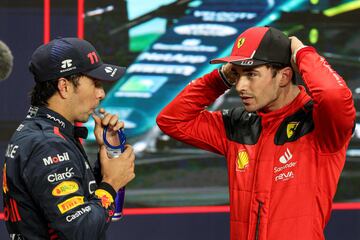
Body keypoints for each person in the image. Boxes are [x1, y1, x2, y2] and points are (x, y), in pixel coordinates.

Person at [156, 26, 355, 240]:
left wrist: (303, 54)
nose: (240, 85)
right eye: (236, 74)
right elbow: (171, 121)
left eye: (251, 74)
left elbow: (333, 94)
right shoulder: (238, 123)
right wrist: (220, 79)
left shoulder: (321, 124)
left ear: (284, 76)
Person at [2, 37, 135, 239]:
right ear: (64, 86)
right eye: (95, 83)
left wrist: (108, 156)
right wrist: (110, 183)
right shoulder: (47, 144)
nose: (101, 94)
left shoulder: (45, 133)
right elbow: (81, 231)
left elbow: (87, 211)